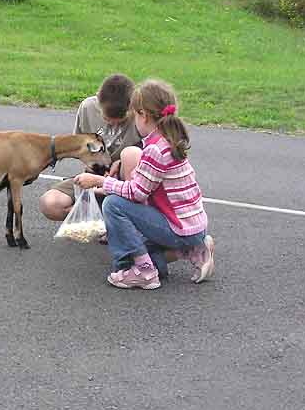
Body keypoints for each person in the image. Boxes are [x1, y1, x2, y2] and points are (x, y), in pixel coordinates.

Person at [75, 79, 215, 290]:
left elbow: (137, 193)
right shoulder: (168, 140)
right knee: (132, 251)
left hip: (179, 227)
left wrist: (100, 181)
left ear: (144, 115)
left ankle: (145, 272)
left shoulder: (155, 150)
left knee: (113, 205)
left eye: (135, 115)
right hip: (192, 226)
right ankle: (191, 250)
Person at [39, 74, 142, 221]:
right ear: (98, 101)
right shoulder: (88, 107)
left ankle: (118, 220)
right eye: (107, 120)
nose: (113, 125)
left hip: (126, 182)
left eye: (120, 122)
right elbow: (79, 147)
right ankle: (100, 219)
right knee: (50, 204)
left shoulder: (141, 114)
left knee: (130, 157)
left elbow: (153, 154)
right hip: (95, 177)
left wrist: (120, 163)